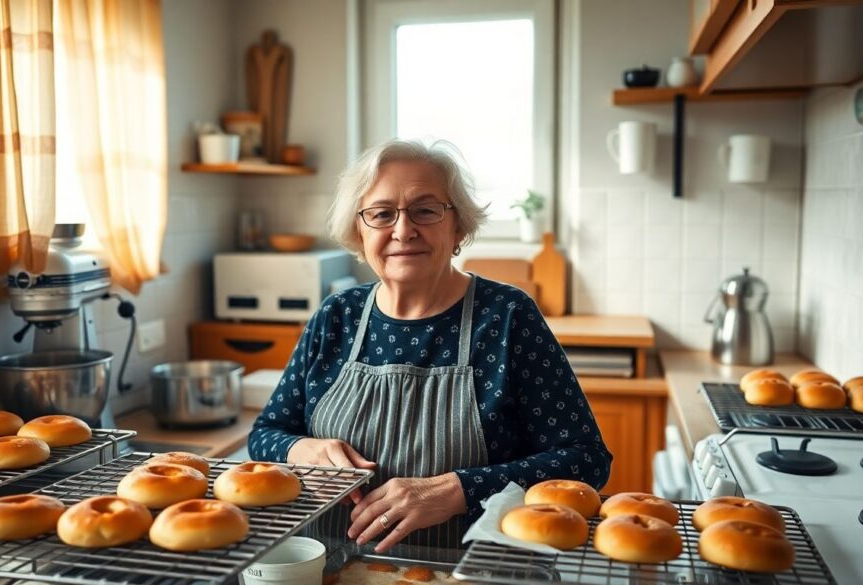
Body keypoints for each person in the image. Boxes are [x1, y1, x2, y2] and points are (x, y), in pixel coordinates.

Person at [248, 138, 612, 552]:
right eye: (382, 214)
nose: (404, 230)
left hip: (473, 571)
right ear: (358, 231)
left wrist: (461, 490)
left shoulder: (507, 316)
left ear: (458, 227)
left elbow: (585, 459)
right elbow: (264, 434)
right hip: (333, 567)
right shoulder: (337, 316)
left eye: (425, 210)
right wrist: (299, 449)